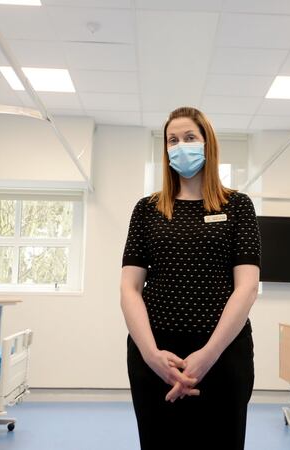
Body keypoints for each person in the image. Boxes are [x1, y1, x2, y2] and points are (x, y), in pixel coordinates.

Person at [120, 106, 261, 450]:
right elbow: (130, 287)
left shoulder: (237, 206)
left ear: (207, 144)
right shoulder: (147, 209)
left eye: (189, 137)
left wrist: (208, 354)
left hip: (223, 355)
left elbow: (247, 287)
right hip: (156, 358)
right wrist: (152, 354)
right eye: (172, 140)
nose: (180, 145)